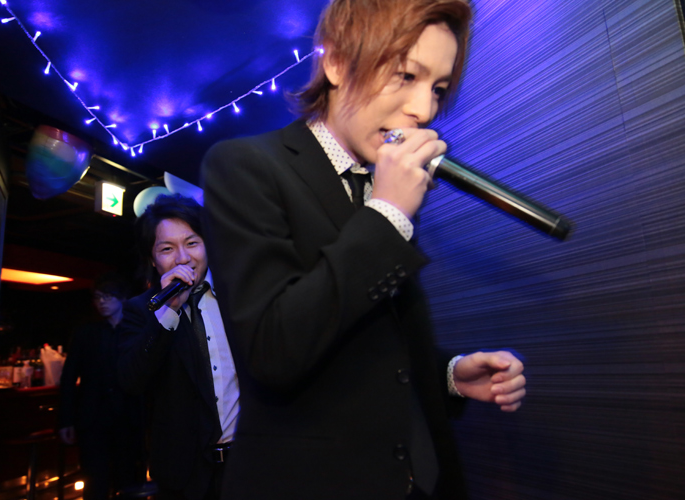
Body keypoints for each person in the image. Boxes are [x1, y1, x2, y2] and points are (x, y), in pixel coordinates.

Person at [200, 0, 526, 499]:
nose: (424, 110)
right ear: (335, 63)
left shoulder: (378, 186)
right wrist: (388, 214)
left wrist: (449, 375)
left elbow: (375, 345)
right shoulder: (244, 166)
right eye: (405, 76)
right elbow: (272, 351)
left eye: (438, 89)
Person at [117, 194, 239, 500]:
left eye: (192, 243)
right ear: (153, 259)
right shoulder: (141, 310)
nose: (183, 258)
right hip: (184, 477)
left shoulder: (238, 296)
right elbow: (131, 381)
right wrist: (168, 311)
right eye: (167, 249)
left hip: (249, 463)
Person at [59, 273, 144, 500]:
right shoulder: (86, 333)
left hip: (129, 417)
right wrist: (66, 420)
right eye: (97, 297)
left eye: (108, 297)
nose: (102, 302)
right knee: (94, 481)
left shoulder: (137, 330)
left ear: (122, 298)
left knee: (129, 480)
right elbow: (69, 377)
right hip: (93, 418)